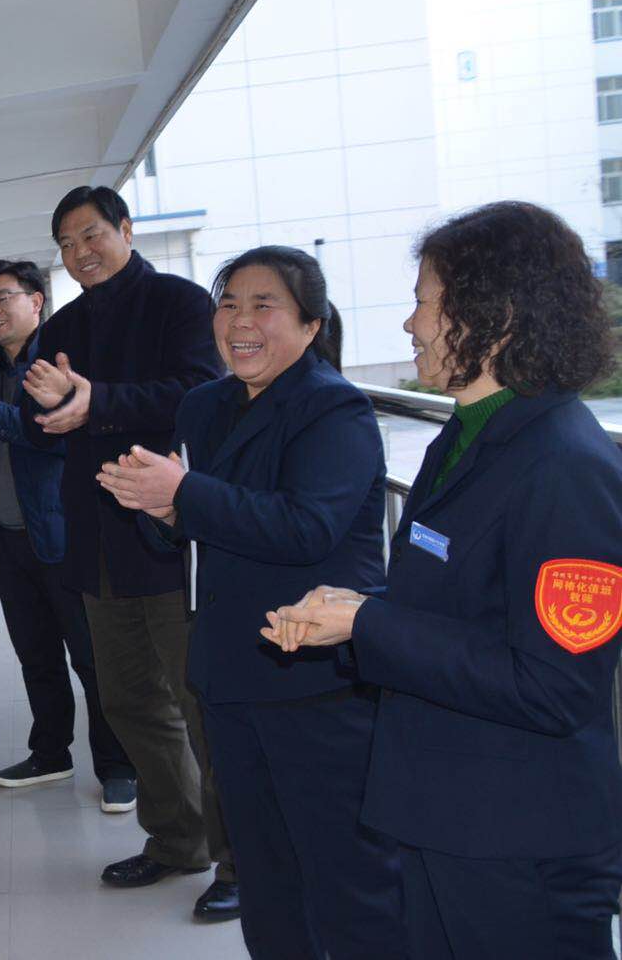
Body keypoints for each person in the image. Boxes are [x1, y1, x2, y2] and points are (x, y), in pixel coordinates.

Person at [268, 201, 622, 960]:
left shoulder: (567, 467)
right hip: (449, 810)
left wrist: (370, 624)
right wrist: (358, 607)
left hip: (519, 840)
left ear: (496, 316)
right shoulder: (470, 431)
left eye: (425, 301)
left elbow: (557, 686)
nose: (411, 324)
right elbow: (461, 600)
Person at [99, 247, 402, 956]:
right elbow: (195, 520)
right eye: (229, 303)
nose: (240, 321)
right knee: (263, 870)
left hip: (315, 678)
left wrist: (184, 494)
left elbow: (307, 527)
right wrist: (162, 509)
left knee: (343, 871)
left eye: (264, 305)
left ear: (311, 324)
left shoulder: (335, 407)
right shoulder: (204, 404)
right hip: (228, 668)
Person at [19, 184, 237, 920]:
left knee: (199, 702)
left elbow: (202, 390)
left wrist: (98, 401)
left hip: (168, 534)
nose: (80, 253)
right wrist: (51, 406)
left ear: (125, 229)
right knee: (129, 700)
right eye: (66, 244)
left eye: (91, 235)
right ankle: (177, 839)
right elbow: (53, 413)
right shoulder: (65, 324)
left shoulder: (180, 303)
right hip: (96, 538)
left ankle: (239, 858)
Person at [0, 259, 136, 805]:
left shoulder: (62, 365)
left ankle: (118, 765)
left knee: (91, 657)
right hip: (6, 535)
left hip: (63, 533)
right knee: (35, 654)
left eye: (4, 298)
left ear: (36, 301)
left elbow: (61, 437)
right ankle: (51, 753)